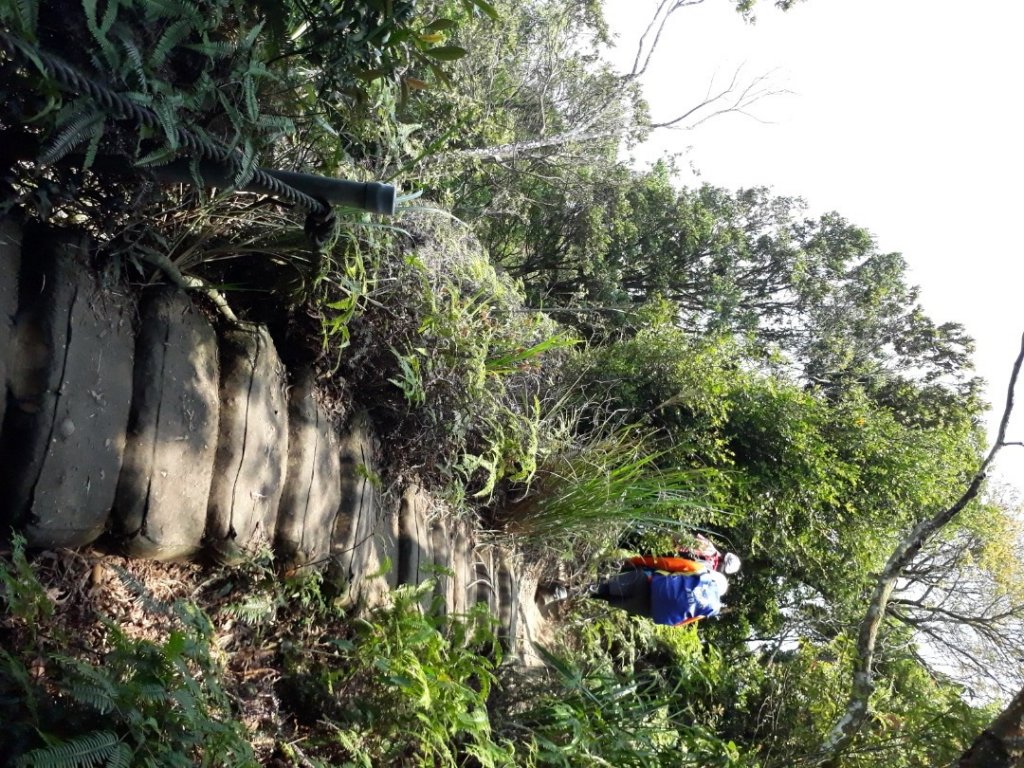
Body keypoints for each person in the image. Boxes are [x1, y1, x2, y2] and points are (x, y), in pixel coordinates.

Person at [590, 566, 728, 626]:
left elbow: (669, 566)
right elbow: (681, 622)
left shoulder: (702, 572)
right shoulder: (709, 608)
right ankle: (580, 594)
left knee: (608, 586)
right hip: (650, 609)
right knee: (613, 599)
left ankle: (578, 589)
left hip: (649, 583)